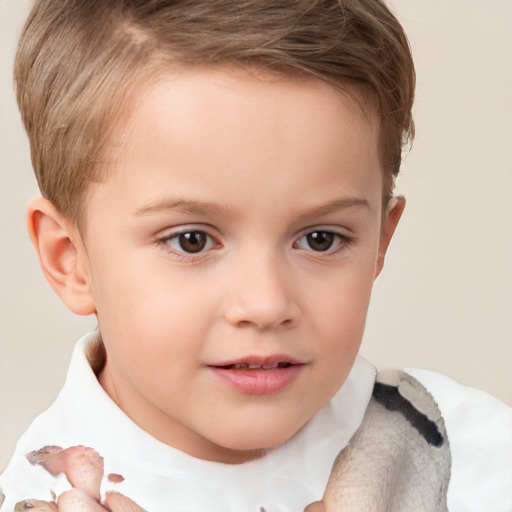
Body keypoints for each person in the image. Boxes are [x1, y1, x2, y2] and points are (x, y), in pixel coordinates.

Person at [1, 1, 511, 511]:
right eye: (191, 240)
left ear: (380, 240)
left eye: (320, 239)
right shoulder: (34, 497)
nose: (266, 304)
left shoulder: (477, 461)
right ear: (70, 258)